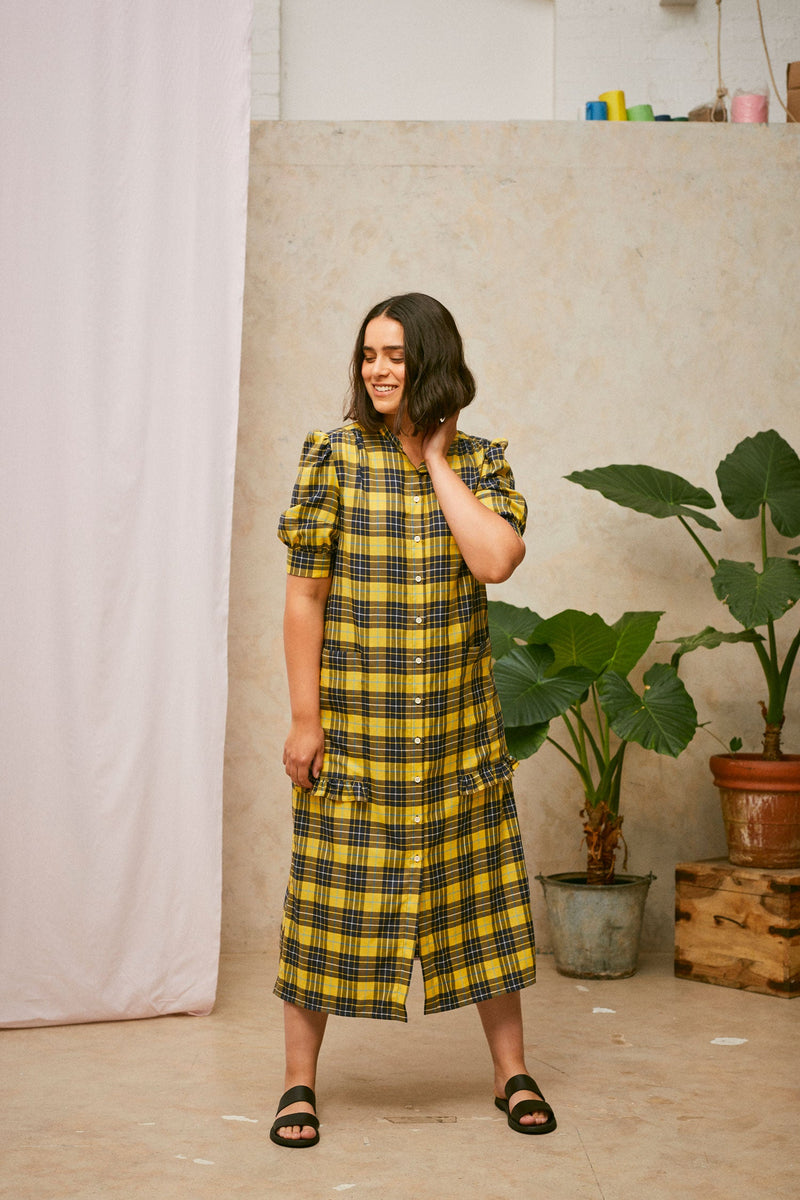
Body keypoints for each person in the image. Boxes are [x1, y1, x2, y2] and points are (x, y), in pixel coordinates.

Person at [270, 293, 556, 1148]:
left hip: (455, 741)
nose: (379, 369)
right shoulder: (332, 456)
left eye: (396, 354)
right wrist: (303, 717)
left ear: (432, 360)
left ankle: (512, 1073)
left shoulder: (481, 461)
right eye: (368, 355)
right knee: (323, 905)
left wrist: (437, 461)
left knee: (481, 905)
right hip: (356, 736)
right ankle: (296, 1084)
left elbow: (497, 559)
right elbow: (304, 595)